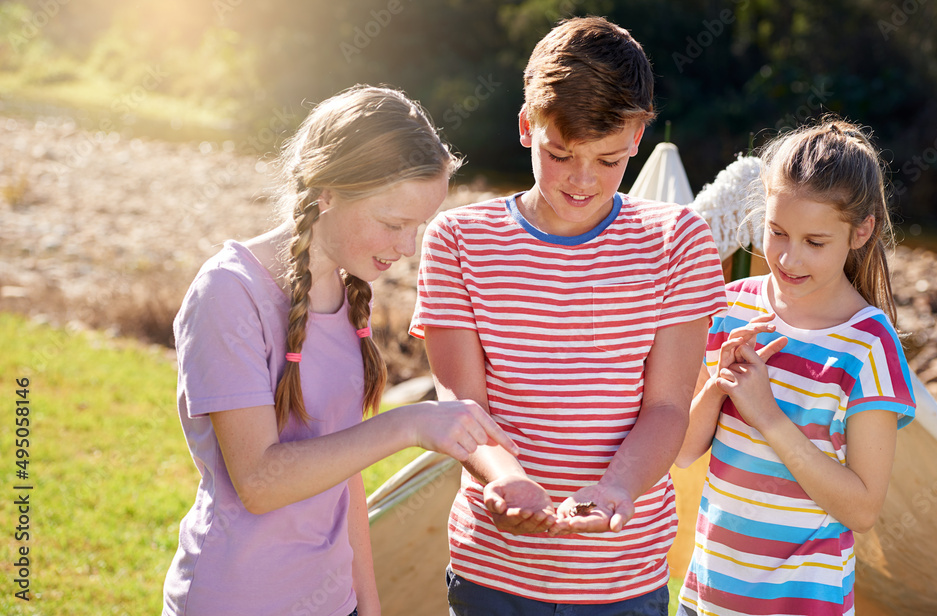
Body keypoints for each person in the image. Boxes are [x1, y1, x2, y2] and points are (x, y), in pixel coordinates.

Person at [409, 17, 728, 614]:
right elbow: (462, 401)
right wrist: (503, 475)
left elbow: (666, 407)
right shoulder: (457, 239)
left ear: (637, 134)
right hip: (491, 572)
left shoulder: (678, 240)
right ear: (528, 126)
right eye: (561, 155)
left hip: (622, 577)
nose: (583, 182)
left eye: (608, 160)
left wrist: (617, 488)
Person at [161, 85, 517, 616]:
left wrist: (366, 605)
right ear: (327, 192)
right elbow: (258, 481)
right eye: (394, 224)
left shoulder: (348, 296)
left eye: (417, 227)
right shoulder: (228, 293)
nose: (406, 248)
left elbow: (343, 471)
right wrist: (408, 425)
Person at [674, 118, 917, 616]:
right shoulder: (728, 309)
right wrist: (717, 388)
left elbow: (862, 508)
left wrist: (768, 417)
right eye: (777, 231)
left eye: (815, 242)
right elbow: (681, 454)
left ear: (861, 231)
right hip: (711, 597)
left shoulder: (870, 345)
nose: (788, 257)